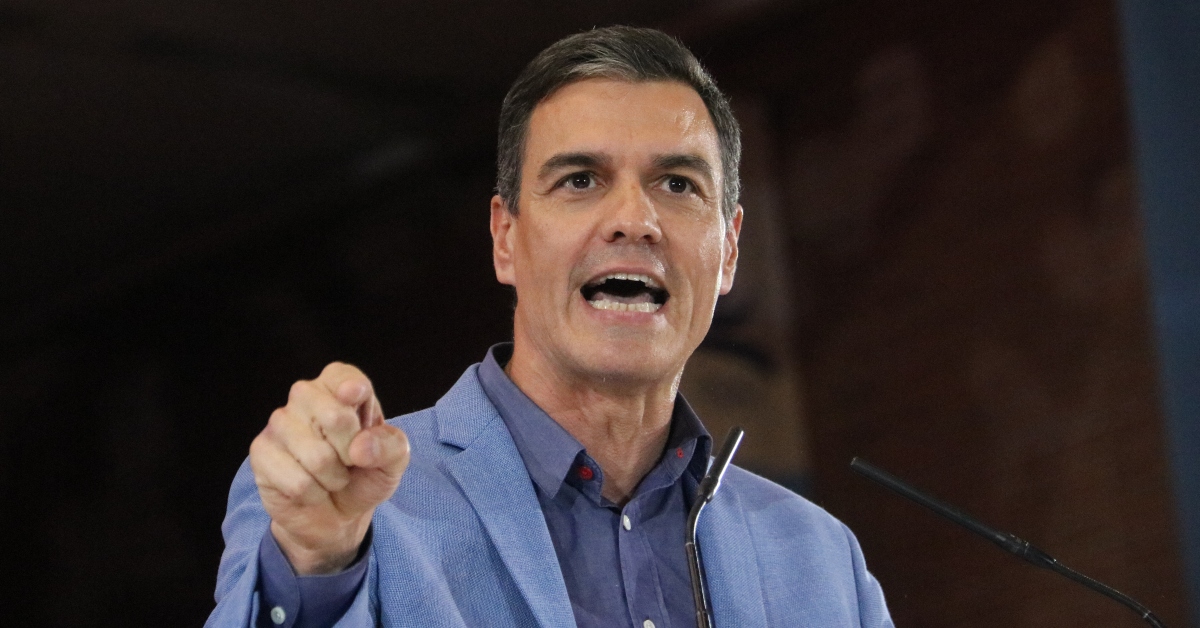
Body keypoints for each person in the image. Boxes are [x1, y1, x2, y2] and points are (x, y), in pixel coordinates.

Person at [207, 26, 894, 628]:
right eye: (581, 181)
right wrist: (317, 565)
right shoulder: (346, 509)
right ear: (506, 238)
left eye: (677, 184)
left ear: (730, 250)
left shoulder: (821, 562)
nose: (634, 219)